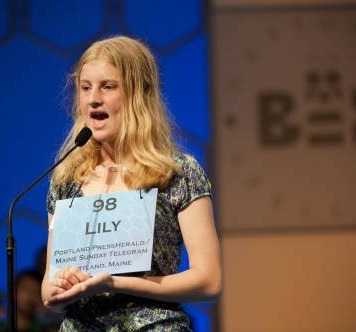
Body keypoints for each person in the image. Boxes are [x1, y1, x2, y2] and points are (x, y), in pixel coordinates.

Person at [41, 35, 222, 331]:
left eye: (108, 86)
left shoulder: (177, 173)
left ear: (139, 93)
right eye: (85, 88)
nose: (92, 98)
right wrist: (65, 287)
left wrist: (117, 283)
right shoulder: (66, 180)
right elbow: (50, 291)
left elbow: (209, 280)